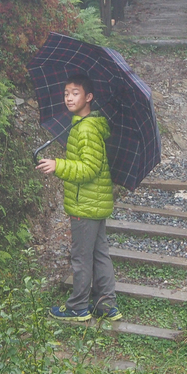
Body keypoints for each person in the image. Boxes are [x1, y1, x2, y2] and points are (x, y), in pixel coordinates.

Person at [36, 75, 121, 321]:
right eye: (66, 94)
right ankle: (106, 305)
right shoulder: (84, 125)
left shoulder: (86, 129)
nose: (69, 98)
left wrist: (58, 165)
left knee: (81, 257)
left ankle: (78, 306)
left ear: (89, 97)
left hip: (85, 203)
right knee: (99, 253)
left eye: (75, 93)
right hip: (94, 202)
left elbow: (89, 169)